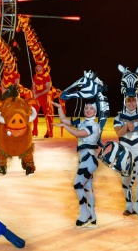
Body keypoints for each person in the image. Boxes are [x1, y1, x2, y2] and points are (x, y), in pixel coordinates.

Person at [54, 100, 101, 228]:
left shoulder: (94, 126)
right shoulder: (82, 122)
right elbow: (64, 120)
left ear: (95, 111)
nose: (88, 110)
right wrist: (60, 108)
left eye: (91, 108)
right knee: (87, 188)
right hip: (84, 159)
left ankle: (84, 214)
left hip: (89, 160)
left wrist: (65, 127)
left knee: (78, 185)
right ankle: (93, 217)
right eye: (86, 108)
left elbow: (77, 133)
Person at [32, 63, 54, 138]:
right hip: (37, 97)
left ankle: (50, 131)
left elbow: (48, 88)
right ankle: (35, 130)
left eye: (39, 66)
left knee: (47, 115)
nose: (37, 67)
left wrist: (38, 94)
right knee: (34, 113)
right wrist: (34, 92)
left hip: (45, 97)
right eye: (37, 66)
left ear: (42, 68)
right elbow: (33, 86)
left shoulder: (47, 76)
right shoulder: (35, 76)